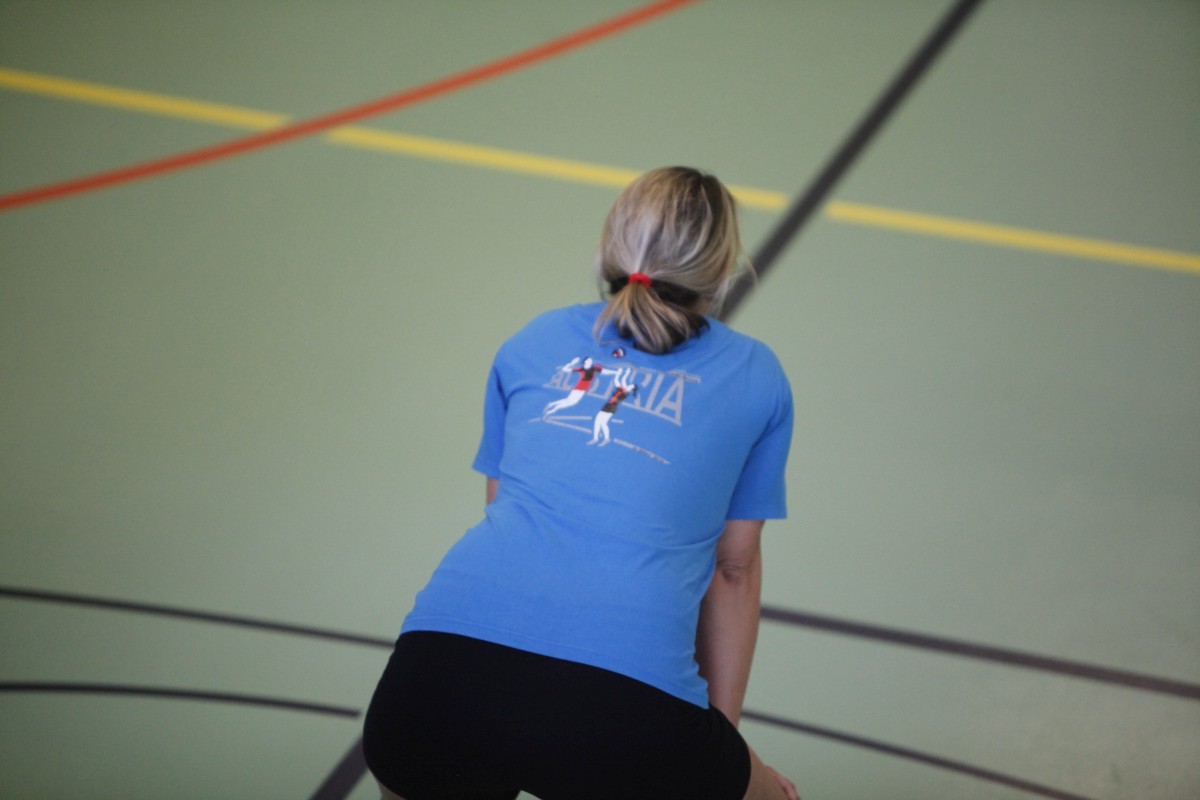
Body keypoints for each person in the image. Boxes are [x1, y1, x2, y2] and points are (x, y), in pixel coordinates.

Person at [363, 166, 799, 800]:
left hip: (433, 681)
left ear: (609, 250)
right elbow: (733, 570)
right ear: (723, 270)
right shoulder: (757, 374)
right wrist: (717, 746)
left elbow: (503, 510)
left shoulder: (534, 339)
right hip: (623, 714)